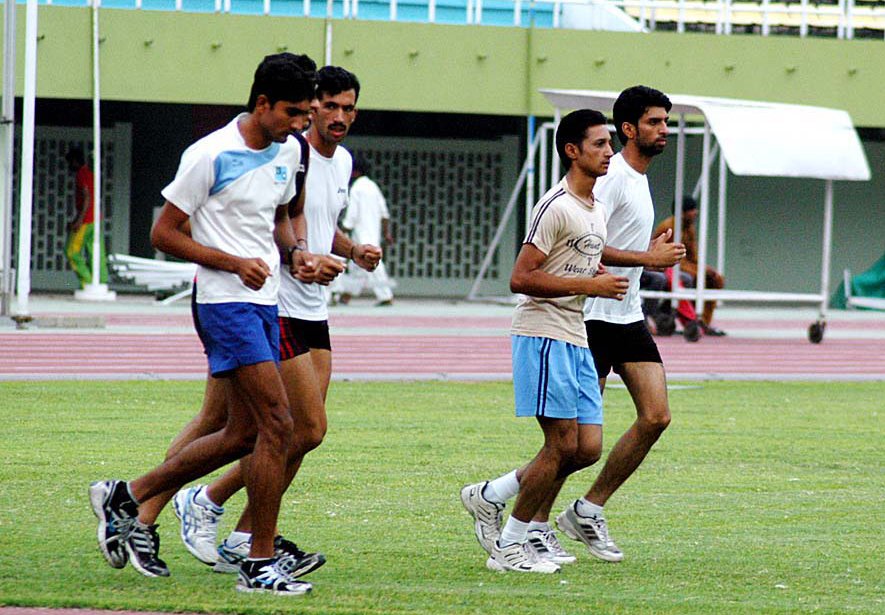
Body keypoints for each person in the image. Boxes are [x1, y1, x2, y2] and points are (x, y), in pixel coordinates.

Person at [89, 52, 319, 596]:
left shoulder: (289, 151)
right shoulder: (209, 154)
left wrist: (298, 254)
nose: (298, 123)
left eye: (303, 113)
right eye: (291, 112)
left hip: (266, 302)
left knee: (241, 433)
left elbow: (281, 216)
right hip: (223, 301)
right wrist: (233, 263)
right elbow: (163, 234)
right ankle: (258, 563)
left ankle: (126, 494)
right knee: (278, 425)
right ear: (261, 103)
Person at [172, 65, 382, 575]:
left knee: (291, 430)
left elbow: (305, 222)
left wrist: (350, 250)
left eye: (347, 108)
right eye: (327, 106)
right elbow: (271, 225)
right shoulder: (286, 150)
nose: (337, 116)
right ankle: (188, 507)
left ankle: (228, 526)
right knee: (265, 425)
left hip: (307, 304)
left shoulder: (334, 159)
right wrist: (293, 260)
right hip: (270, 300)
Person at [461, 109, 629, 573]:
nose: (608, 151)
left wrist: (595, 275)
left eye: (609, 143)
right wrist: (591, 287)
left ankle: (489, 495)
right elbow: (521, 278)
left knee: (587, 448)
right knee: (559, 445)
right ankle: (511, 545)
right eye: (599, 144)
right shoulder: (555, 205)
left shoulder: (594, 208)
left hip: (576, 337)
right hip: (543, 334)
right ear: (572, 150)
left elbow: (572, 264)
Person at [655, 196, 727, 336]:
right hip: (665, 266)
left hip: (684, 265)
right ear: (682, 213)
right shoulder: (669, 227)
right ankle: (687, 318)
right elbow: (671, 258)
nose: (696, 212)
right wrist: (699, 271)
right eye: (692, 210)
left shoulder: (689, 228)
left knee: (715, 279)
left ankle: (704, 321)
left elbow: (693, 256)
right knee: (692, 278)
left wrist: (705, 269)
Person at [336, 155, 395, 306]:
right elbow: (384, 213)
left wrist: (342, 231)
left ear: (355, 172)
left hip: (360, 234)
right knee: (360, 267)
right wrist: (386, 233)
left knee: (368, 263)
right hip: (373, 233)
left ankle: (385, 296)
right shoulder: (373, 187)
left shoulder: (357, 188)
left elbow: (352, 214)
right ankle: (346, 295)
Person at [64, 146, 108, 288]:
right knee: (95, 251)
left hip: (87, 219)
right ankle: (101, 281)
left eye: (70, 162)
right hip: (96, 218)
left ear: (75, 161)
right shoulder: (90, 173)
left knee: (71, 251)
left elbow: (87, 197)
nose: (69, 166)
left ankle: (87, 281)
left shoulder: (82, 174)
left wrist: (79, 220)